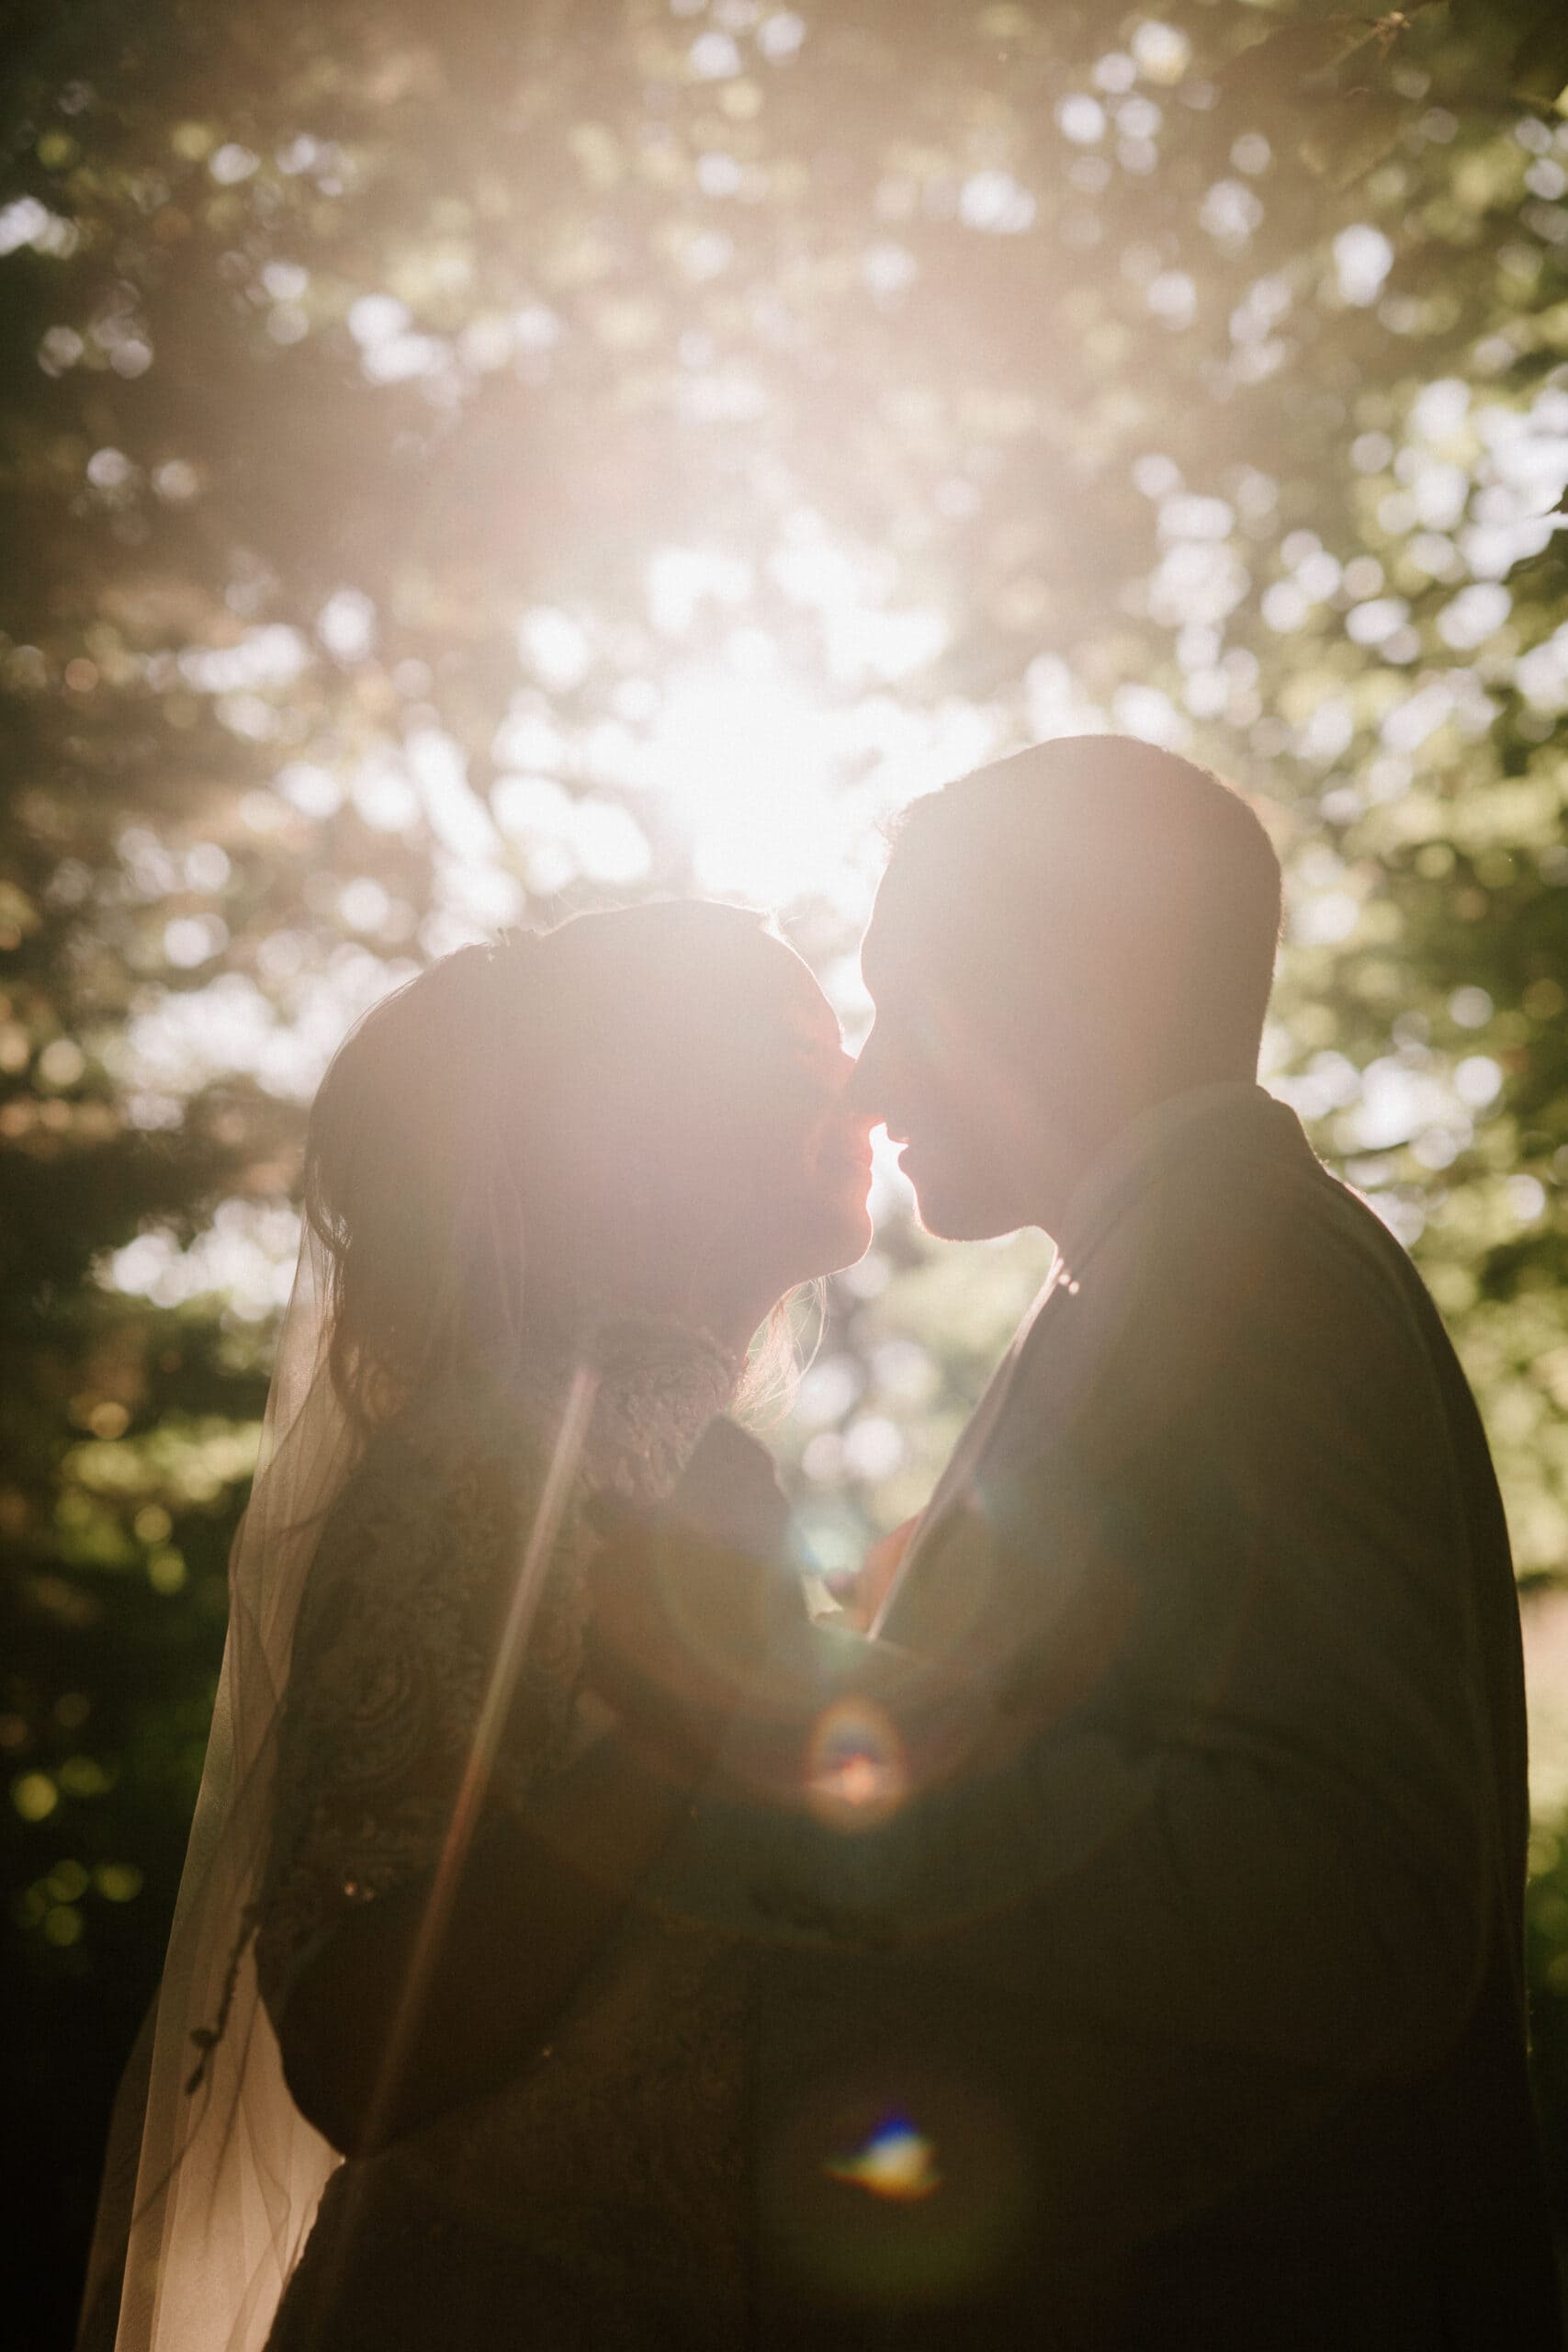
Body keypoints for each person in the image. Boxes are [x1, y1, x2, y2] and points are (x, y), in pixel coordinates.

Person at [738, 734, 1561, 2346]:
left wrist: (816, 1733)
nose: (874, 1080)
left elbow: (1361, 1909)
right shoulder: (1159, 1269)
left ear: (1065, 984)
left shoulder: (1240, 1280)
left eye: (917, 1002)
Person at [79, 900, 875, 2352]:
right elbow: (355, 2040)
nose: (866, 1093)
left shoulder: (701, 1465)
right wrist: (675, 1735)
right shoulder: (481, 1466)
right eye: (799, 1056)